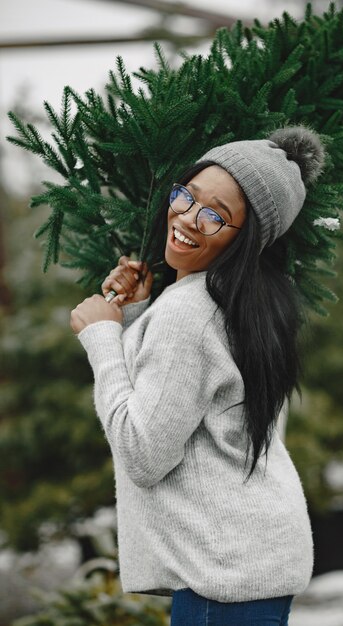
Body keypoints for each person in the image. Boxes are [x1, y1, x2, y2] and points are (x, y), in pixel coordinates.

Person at [70, 125, 326, 626]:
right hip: (250, 563)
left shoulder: (192, 310)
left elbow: (145, 454)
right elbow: (194, 403)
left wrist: (102, 339)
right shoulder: (247, 305)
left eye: (215, 216)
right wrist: (141, 313)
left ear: (246, 237)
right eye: (186, 196)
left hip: (223, 578)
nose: (187, 218)